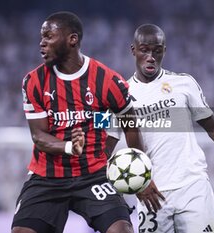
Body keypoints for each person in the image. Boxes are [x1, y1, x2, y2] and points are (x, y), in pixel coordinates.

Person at [106, 24, 214, 233]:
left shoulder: (184, 83)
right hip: (151, 192)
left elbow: (213, 127)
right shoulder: (118, 95)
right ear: (133, 50)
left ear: (164, 51)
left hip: (192, 187)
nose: (151, 56)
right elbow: (105, 146)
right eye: (144, 50)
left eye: (157, 50)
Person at [11, 11, 147, 233]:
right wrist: (69, 147)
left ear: (72, 39)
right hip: (47, 177)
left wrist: (140, 173)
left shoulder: (108, 81)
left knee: (122, 230)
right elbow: (39, 136)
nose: (41, 43)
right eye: (41, 37)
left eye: (48, 37)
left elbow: (129, 124)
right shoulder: (34, 81)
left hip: (93, 176)